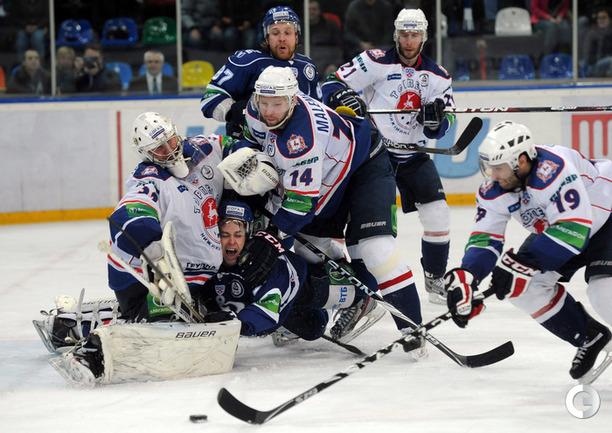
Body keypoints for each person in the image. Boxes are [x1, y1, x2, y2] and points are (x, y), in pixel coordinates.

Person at [221, 66, 426, 355]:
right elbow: (252, 142)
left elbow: (299, 206)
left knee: (375, 248)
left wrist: (270, 236)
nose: (269, 111)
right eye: (264, 102)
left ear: (292, 100)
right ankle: (358, 299)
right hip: (327, 176)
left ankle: (412, 328)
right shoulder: (256, 111)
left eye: (277, 104)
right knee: (310, 253)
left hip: (364, 167)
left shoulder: (300, 140)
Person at [444, 120, 612, 382]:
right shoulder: (495, 188)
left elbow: (574, 228)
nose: (493, 175)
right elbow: (485, 238)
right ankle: (589, 335)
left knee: (604, 292)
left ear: (522, 161)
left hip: (605, 214)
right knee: (524, 289)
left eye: (499, 168)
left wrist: (524, 263)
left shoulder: (553, 169)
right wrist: (468, 276)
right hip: (562, 229)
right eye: (490, 168)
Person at [322, 8, 455, 304]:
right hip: (374, 156)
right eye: (404, 34)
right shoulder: (375, 61)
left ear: (424, 36)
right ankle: (362, 290)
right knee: (370, 229)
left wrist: (436, 123)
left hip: (413, 156)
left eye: (415, 35)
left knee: (438, 212)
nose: (409, 41)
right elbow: (331, 83)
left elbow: (448, 121)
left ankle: (434, 278)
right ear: (396, 34)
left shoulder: (438, 75)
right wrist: (345, 96)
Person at [195, 200, 377, 343]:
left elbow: (266, 311)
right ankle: (325, 310)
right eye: (224, 235)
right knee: (314, 330)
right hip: (284, 307)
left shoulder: (263, 261)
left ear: (247, 234)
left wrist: (237, 323)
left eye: (238, 234)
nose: (231, 242)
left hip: (307, 286)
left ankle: (358, 295)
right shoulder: (208, 259)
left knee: (367, 284)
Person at [107, 112, 229, 322]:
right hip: (142, 281)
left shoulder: (203, 149)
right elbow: (127, 216)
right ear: (146, 154)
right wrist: (152, 249)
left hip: (195, 276)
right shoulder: (149, 179)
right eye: (159, 148)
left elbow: (231, 145)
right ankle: (78, 325)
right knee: (165, 324)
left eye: (170, 140)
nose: (170, 150)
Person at [200, 5, 321, 139]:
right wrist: (234, 111)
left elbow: (318, 111)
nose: (282, 38)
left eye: (288, 33)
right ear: (267, 38)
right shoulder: (248, 62)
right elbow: (210, 98)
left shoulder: (307, 66)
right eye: (275, 33)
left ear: (296, 37)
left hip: (292, 144)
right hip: (248, 144)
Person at [308, 0, 346, 77]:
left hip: (327, 66)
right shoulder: (299, 28)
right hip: (307, 66)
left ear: (319, 11)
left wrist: (335, 64)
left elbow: (340, 47)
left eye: (314, 9)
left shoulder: (331, 26)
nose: (311, 12)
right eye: (309, 9)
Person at [583, 7, 612, 77]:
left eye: (604, 17)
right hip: (593, 66)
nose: (601, 20)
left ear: (610, 20)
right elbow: (588, 57)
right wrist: (604, 57)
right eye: (599, 18)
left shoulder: (610, 33)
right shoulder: (592, 34)